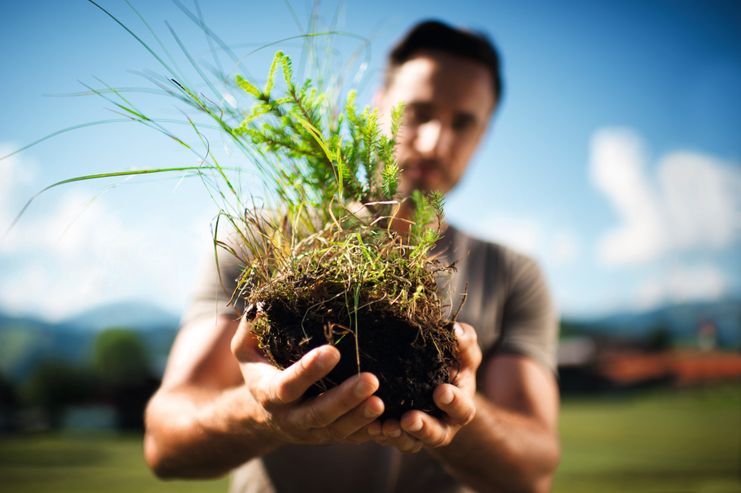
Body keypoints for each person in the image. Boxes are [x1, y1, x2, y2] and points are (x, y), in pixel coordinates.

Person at [144, 20, 560, 493]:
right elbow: (164, 442)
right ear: (377, 107)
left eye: (463, 122)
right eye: (418, 112)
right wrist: (262, 412)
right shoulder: (266, 242)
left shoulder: (510, 275)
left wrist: (460, 412)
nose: (433, 142)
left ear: (483, 134)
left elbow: (534, 468)